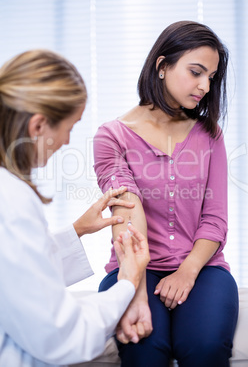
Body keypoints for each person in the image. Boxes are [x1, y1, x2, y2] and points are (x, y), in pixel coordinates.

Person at [93, 20, 239, 367]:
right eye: (196, 72)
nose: (205, 85)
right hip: (132, 269)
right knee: (145, 349)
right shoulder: (112, 137)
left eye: (211, 77)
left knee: (203, 348)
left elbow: (215, 219)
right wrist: (135, 288)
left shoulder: (209, 134)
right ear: (162, 66)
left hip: (203, 269)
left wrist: (187, 271)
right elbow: (126, 213)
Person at [0, 49, 150, 367]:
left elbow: (17, 273)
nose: (68, 140)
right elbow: (61, 336)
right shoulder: (12, 202)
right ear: (39, 126)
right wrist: (128, 280)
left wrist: (77, 230)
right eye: (70, 126)